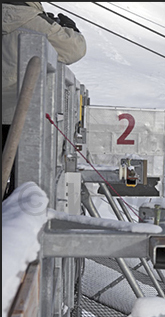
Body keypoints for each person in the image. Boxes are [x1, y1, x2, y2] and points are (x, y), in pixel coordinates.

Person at [2, 2, 87, 198]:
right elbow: (75, 48)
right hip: (18, 117)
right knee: (21, 187)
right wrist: (69, 29)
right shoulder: (29, 19)